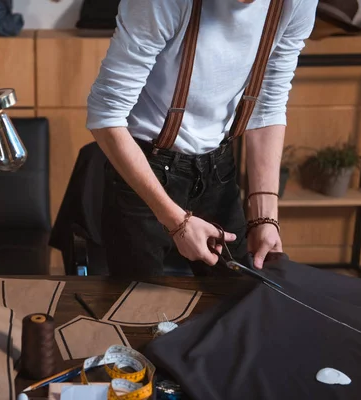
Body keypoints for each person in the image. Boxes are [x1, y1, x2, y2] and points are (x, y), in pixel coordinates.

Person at [86, 0, 318, 277]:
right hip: (145, 167)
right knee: (138, 307)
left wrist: (264, 216)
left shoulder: (296, 3)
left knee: (236, 299)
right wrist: (176, 221)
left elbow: (268, 104)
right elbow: (106, 114)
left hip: (218, 166)